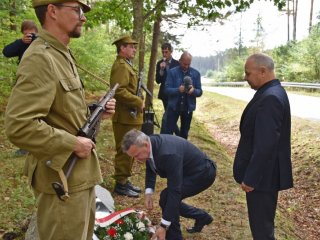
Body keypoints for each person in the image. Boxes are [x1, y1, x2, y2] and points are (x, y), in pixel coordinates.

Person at [4, 1, 116, 240]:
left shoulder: (61, 53)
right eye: (77, 10)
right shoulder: (40, 58)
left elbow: (61, 111)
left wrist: (94, 113)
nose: (83, 17)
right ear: (52, 11)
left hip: (77, 177)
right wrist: (73, 144)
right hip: (61, 180)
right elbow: (19, 126)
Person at [233, 53, 293, 240]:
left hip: (262, 178)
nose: (245, 77)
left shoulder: (271, 98)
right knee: (261, 228)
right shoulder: (270, 92)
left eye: (248, 73)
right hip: (263, 175)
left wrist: (251, 178)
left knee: (262, 231)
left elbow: (265, 144)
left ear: (262, 71)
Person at [121, 129, 216, 240]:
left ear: (145, 145)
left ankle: (174, 237)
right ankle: (201, 217)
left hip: (202, 174)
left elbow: (174, 191)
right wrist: (148, 192)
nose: (136, 160)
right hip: (189, 171)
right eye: (133, 157)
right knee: (167, 200)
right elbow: (151, 164)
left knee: (167, 198)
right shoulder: (150, 144)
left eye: (137, 155)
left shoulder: (168, 154)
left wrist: (163, 226)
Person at [110, 35, 144, 198]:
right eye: (131, 46)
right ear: (122, 48)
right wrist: (138, 101)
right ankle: (120, 184)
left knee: (131, 148)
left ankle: (125, 179)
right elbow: (119, 90)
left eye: (134, 46)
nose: (134, 49)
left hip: (130, 116)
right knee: (125, 150)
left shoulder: (128, 65)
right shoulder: (121, 66)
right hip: (124, 117)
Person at [164, 51, 202, 139]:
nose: (186, 66)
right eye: (184, 64)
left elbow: (200, 92)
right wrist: (178, 90)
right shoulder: (172, 72)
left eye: (188, 64)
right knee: (168, 133)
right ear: (180, 61)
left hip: (188, 108)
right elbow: (166, 90)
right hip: (173, 107)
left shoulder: (196, 74)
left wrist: (193, 91)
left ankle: (181, 151)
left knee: (184, 134)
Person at [155, 43, 180, 135]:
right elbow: (157, 80)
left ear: (171, 52)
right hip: (165, 94)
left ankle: (169, 135)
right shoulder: (159, 63)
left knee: (169, 115)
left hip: (174, 93)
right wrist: (161, 70)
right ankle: (178, 135)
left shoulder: (177, 64)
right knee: (169, 115)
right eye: (163, 52)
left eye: (166, 52)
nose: (164, 54)